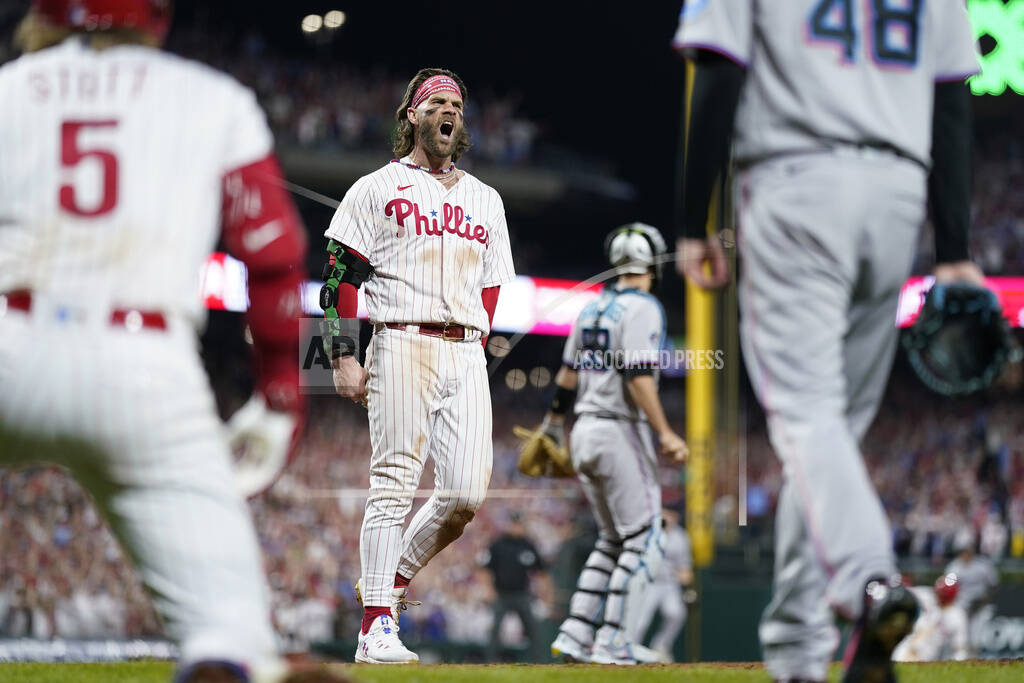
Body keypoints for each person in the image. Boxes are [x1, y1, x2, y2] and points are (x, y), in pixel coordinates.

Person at [0, 2, 342, 682]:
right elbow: (276, 256)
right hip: (144, 366)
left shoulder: (9, 87)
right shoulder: (214, 98)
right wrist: (280, 394)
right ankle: (230, 655)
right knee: (230, 632)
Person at [673, 2, 982, 681]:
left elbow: (719, 71)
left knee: (806, 414)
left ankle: (870, 583)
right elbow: (951, 96)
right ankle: (798, 645)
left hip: (797, 177)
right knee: (827, 435)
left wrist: (693, 218)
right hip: (899, 189)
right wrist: (954, 249)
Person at [320, 67, 515, 664]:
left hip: (464, 351)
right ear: (412, 116)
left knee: (464, 493)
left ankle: (390, 584)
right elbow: (337, 278)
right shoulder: (375, 187)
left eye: (456, 103)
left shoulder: (486, 199)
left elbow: (490, 286)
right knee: (393, 484)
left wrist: (474, 347)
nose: (448, 110)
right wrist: (340, 355)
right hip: (400, 340)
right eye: (437, 103)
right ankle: (376, 626)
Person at [547, 223, 689, 665]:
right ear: (653, 263)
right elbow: (638, 375)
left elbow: (567, 375)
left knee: (612, 539)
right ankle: (614, 641)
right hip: (618, 427)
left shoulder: (592, 308)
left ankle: (574, 632)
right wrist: (664, 431)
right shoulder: (644, 307)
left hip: (583, 428)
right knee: (646, 539)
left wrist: (553, 423)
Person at [482, 512, 545, 662]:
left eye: (519, 524)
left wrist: (544, 593)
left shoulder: (528, 545)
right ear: (509, 524)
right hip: (501, 594)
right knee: (495, 630)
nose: (516, 527)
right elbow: (485, 569)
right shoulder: (497, 544)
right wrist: (489, 590)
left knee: (533, 630)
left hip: (522, 595)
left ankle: (539, 661)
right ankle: (490, 661)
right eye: (514, 524)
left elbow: (541, 571)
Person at [633, 507, 693, 662]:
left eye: (672, 514)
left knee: (676, 613)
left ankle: (661, 647)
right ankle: (630, 649)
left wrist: (685, 579)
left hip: (669, 584)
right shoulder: (649, 532)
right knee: (641, 621)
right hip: (649, 583)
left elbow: (685, 567)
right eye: (665, 513)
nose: (669, 517)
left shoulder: (681, 536)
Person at [893, 574, 969, 662]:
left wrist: (958, 662)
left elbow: (960, 648)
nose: (939, 597)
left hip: (929, 650)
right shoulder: (929, 597)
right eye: (939, 594)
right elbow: (906, 591)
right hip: (909, 641)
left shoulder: (957, 616)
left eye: (943, 596)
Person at [945, 535, 999, 653]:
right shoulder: (953, 567)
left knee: (976, 637)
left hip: (981, 604)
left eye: (967, 550)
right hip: (961, 605)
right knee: (960, 635)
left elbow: (993, 585)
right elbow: (948, 588)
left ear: (972, 550)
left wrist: (984, 601)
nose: (965, 554)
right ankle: (960, 660)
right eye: (962, 551)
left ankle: (974, 660)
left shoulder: (983, 565)